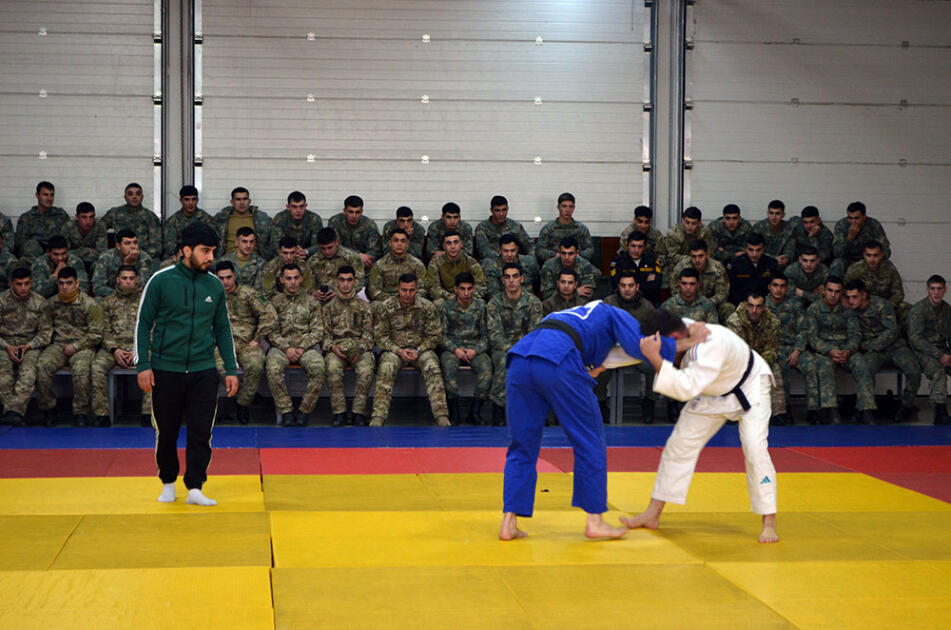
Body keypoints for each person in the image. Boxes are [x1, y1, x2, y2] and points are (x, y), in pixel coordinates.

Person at [498, 301, 695, 541]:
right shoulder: (614, 313)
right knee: (589, 438)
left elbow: (601, 354)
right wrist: (683, 344)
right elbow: (642, 345)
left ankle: (509, 521)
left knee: (522, 445)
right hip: (558, 359)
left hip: (520, 358)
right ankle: (595, 521)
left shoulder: (572, 314)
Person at [621, 309, 779, 544]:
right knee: (679, 445)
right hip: (711, 392)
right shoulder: (684, 329)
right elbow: (678, 351)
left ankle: (769, 522)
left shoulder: (709, 347)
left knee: (755, 448)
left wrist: (656, 358)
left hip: (749, 387)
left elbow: (685, 389)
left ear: (673, 337)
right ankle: (652, 514)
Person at [135, 222, 239, 506]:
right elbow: (143, 324)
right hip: (165, 370)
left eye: (213, 251)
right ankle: (168, 482)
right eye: (205, 251)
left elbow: (223, 329)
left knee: (201, 430)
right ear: (186, 250)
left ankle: (195, 486)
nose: (210, 257)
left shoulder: (214, 286)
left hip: (203, 371)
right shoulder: (160, 280)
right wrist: (143, 364)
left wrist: (230, 369)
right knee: (166, 431)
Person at [370, 273, 450, 427]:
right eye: (404, 290)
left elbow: (434, 335)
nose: (407, 294)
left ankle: (441, 415)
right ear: (398, 289)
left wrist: (419, 350)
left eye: (411, 290)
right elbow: (380, 336)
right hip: (395, 350)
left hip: (421, 349)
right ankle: (378, 416)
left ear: (417, 290)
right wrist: (398, 350)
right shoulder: (386, 307)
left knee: (432, 366)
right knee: (386, 367)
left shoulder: (427, 307)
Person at [844, 279, 921, 424]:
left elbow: (891, 331)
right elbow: (854, 334)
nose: (851, 301)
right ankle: (865, 410)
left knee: (914, 370)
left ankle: (906, 406)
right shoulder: (852, 312)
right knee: (865, 367)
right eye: (848, 297)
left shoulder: (882, 305)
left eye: (855, 297)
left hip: (895, 347)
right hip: (876, 353)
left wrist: (871, 345)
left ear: (864, 295)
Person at [36, 267, 104, 427]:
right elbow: (45, 329)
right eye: (61, 283)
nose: (65, 287)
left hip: (82, 345)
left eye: (69, 283)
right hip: (58, 345)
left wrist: (76, 346)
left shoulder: (90, 304)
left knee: (81, 370)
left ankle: (81, 412)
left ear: (77, 284)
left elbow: (96, 333)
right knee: (42, 366)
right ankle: (49, 408)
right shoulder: (51, 304)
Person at [214, 261, 277, 425]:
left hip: (247, 343)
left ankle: (242, 404)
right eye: (221, 278)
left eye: (229, 277)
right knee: (221, 369)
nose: (226, 282)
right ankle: (240, 396)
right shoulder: (210, 295)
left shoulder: (251, 294)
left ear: (235, 276)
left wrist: (257, 338)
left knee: (255, 365)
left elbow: (270, 315)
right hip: (221, 344)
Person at [265, 264, 326, 426]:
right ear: (282, 280)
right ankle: (286, 411)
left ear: (301, 279)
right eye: (288, 278)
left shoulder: (312, 302)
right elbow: (270, 331)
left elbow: (318, 330)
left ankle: (304, 411)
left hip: (306, 348)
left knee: (319, 367)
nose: (292, 282)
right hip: (281, 348)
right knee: (273, 368)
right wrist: (286, 348)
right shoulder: (274, 302)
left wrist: (301, 347)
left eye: (296, 278)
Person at [92, 265, 152, 427]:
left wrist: (138, 349)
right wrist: (115, 349)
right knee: (97, 367)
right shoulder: (107, 302)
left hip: (140, 347)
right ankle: (101, 414)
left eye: (131, 278)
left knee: (154, 364)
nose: (128, 282)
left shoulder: (146, 301)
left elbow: (153, 328)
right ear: (117, 280)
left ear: (137, 280)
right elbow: (103, 330)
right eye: (124, 278)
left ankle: (148, 414)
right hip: (113, 348)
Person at [597, 270, 658, 423]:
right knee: (599, 369)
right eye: (623, 285)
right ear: (618, 287)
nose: (627, 289)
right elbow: (598, 328)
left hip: (636, 352)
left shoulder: (647, 307)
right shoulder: (608, 303)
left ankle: (649, 403)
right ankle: (601, 405)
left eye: (630, 285)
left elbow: (654, 332)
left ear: (637, 286)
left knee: (655, 367)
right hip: (611, 351)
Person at [486, 263, 543, 425]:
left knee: (538, 364)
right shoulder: (494, 304)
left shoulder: (533, 303)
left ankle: (536, 412)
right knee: (505, 362)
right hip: (502, 347)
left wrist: (522, 350)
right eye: (507, 277)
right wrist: (512, 351)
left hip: (527, 348)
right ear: (502, 280)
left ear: (522, 279)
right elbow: (495, 334)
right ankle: (499, 409)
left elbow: (534, 333)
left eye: (515, 276)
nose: (511, 281)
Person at [799, 277, 860, 425]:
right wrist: (829, 350)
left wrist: (848, 350)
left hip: (846, 350)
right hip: (825, 351)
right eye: (830, 291)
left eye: (838, 292)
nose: (833, 295)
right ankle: (831, 409)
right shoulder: (814, 309)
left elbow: (855, 334)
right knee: (824, 365)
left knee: (862, 364)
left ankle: (865, 409)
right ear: (824, 290)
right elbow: (812, 338)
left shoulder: (847, 309)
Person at [322, 265, 375, 427]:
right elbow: (324, 334)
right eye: (342, 280)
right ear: (336, 282)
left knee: (366, 368)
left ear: (355, 282)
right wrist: (332, 347)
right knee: (332, 368)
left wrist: (360, 349)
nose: (345, 284)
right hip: (336, 348)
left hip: (360, 348)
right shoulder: (328, 307)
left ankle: (358, 412)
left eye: (349, 280)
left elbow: (369, 335)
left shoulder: (364, 307)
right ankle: (339, 413)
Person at [726, 292, 788, 425]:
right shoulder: (734, 321)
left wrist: (761, 363)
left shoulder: (773, 321)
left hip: (762, 358)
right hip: (740, 359)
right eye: (751, 306)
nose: (754, 310)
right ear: (746, 305)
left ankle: (778, 413)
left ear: (764, 307)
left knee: (775, 369)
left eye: (758, 306)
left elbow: (772, 348)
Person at [439, 272, 492, 425]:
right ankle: (454, 411)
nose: (466, 293)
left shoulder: (481, 306)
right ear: (455, 289)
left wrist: (476, 350)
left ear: (474, 289)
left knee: (487, 369)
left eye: (469, 289)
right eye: (462, 289)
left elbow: (486, 335)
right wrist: (455, 349)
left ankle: (475, 411)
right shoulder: (447, 307)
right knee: (448, 367)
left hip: (474, 347)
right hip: (452, 348)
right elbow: (441, 335)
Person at [0, 268, 51, 426]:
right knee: (3, 374)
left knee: (28, 373)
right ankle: (10, 410)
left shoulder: (40, 302)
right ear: (11, 284)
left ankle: (14, 412)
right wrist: (6, 346)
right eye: (19, 284)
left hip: (30, 344)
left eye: (27, 283)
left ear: (32, 283)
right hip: (4, 343)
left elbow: (46, 333)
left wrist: (28, 346)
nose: (23, 288)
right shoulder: (1, 301)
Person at [907, 275, 951, 425]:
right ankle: (940, 412)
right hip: (923, 352)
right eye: (933, 289)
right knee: (938, 371)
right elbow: (915, 339)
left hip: (943, 350)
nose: (936, 292)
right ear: (927, 290)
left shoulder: (947, 309)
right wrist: (940, 355)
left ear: (945, 290)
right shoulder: (918, 310)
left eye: (939, 289)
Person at [765, 273, 808, 424]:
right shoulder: (761, 305)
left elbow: (803, 330)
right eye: (775, 285)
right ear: (769, 287)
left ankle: (816, 411)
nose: (778, 289)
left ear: (787, 288)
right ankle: (784, 409)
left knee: (814, 364)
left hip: (792, 348)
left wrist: (797, 350)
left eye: (782, 286)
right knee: (779, 365)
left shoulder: (795, 304)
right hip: (770, 349)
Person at [670, 240, 731, 321]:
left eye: (700, 256)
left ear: (707, 254)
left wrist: (705, 304)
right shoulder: (681, 267)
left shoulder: (717, 268)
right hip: (687, 304)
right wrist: (691, 304)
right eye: (694, 256)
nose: (697, 260)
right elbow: (675, 290)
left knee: (728, 308)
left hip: (712, 304)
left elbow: (722, 294)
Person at [426, 230, 487, 307]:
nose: (452, 247)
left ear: (461, 244)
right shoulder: (436, 263)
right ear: (444, 246)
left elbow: (481, 286)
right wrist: (450, 296)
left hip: (467, 296)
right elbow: (433, 288)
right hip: (446, 298)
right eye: (449, 243)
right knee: (438, 303)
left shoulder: (471, 262)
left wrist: (466, 295)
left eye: (456, 242)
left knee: (480, 303)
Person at [91, 229, 157, 299]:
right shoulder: (105, 258)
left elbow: (144, 286)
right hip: (113, 296)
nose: (133, 247)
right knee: (98, 298)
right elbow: (98, 287)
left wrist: (128, 265)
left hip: (136, 297)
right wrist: (119, 295)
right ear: (118, 246)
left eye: (135, 243)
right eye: (128, 243)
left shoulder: (145, 259)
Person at [103, 182, 162, 259]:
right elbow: (99, 229)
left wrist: (139, 255)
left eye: (138, 194)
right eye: (130, 194)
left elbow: (157, 245)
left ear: (142, 197)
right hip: (119, 256)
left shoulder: (150, 217)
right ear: (125, 197)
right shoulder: (115, 213)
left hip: (143, 256)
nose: (134, 197)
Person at [831, 201, 891, 277]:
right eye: (850, 218)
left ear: (864, 216)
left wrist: (873, 258)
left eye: (856, 218)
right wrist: (850, 238)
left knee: (887, 265)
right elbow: (837, 252)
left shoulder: (874, 225)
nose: (853, 222)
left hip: (868, 260)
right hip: (849, 259)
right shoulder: (841, 225)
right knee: (837, 263)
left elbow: (885, 250)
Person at [367, 228, 427, 303]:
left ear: (407, 243)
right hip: (387, 303)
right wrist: (392, 301)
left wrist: (409, 299)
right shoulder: (379, 265)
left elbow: (423, 288)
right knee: (375, 305)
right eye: (396, 240)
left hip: (411, 301)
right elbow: (373, 289)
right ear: (390, 243)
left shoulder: (417, 265)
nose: (399, 244)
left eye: (403, 241)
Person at [843, 241, 905, 313]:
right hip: (861, 306)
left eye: (875, 255)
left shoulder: (890, 270)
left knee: (904, 307)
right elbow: (845, 291)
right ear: (864, 255)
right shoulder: (855, 269)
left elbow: (898, 294)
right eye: (868, 255)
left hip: (884, 307)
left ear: (881, 255)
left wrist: (885, 307)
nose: (872, 260)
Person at [214, 186, 274, 259]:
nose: (242, 203)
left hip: (255, 262)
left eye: (245, 199)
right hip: (228, 262)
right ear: (232, 202)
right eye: (238, 199)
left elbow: (272, 242)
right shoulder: (221, 219)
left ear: (249, 201)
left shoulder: (262, 219)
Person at [14, 181, 69, 261]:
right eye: (45, 195)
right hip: (35, 255)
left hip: (57, 254)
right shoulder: (26, 218)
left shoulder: (61, 215)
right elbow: (21, 242)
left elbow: (68, 236)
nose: (49, 199)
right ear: (37, 195)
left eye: (52, 195)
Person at [308, 228, 365, 302]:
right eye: (323, 248)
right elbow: (307, 283)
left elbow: (359, 280)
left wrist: (340, 292)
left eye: (330, 247)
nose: (327, 252)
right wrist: (314, 293)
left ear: (337, 242)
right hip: (320, 300)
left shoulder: (352, 258)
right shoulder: (313, 261)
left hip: (346, 298)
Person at [327, 195, 382, 270]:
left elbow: (375, 251)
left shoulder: (370, 225)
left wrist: (367, 259)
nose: (354, 216)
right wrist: (357, 255)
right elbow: (334, 246)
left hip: (363, 265)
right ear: (344, 211)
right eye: (350, 212)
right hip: (340, 262)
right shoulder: (335, 222)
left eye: (358, 212)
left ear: (362, 211)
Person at [661, 206, 714, 284]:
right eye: (687, 222)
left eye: (693, 223)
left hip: (700, 261)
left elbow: (709, 252)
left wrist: (699, 259)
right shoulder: (674, 233)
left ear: (699, 223)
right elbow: (673, 256)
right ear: (682, 220)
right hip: (679, 263)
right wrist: (693, 259)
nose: (689, 226)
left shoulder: (705, 232)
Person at [535, 193, 593, 263]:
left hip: (576, 264)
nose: (567, 210)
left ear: (574, 208)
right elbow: (540, 250)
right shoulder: (548, 229)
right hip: (554, 264)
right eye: (564, 206)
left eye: (570, 207)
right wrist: (557, 255)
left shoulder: (581, 229)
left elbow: (589, 249)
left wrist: (576, 256)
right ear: (558, 207)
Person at [609, 230, 662, 306]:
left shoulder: (652, 261)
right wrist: (645, 281)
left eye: (640, 247)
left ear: (645, 247)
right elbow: (617, 286)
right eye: (633, 246)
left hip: (648, 302)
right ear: (627, 245)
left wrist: (634, 285)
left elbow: (656, 287)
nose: (636, 250)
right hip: (623, 303)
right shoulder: (618, 262)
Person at [726, 232, 779, 306]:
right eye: (751, 250)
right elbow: (732, 291)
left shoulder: (771, 263)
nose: (754, 254)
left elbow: (774, 288)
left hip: (765, 304)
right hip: (742, 304)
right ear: (745, 249)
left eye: (758, 250)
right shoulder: (735, 264)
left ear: (763, 249)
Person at [474, 195, 533, 261]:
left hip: (513, 260)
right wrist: (502, 258)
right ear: (491, 210)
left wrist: (530, 258)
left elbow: (529, 246)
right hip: (494, 262)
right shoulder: (482, 228)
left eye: (504, 210)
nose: (501, 214)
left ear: (508, 209)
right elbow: (483, 250)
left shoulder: (516, 226)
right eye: (497, 210)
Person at [482, 234, 539, 299]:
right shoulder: (491, 266)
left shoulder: (529, 262)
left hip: (529, 302)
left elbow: (537, 285)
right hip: (502, 304)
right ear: (500, 250)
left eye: (513, 250)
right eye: (506, 251)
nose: (509, 254)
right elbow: (493, 294)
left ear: (517, 249)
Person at [163, 185, 213, 258]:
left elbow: (211, 240)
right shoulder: (173, 220)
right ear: (181, 200)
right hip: (180, 255)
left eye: (193, 199)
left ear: (197, 200)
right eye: (187, 199)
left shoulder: (206, 219)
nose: (190, 203)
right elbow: (169, 245)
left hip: (201, 255)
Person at [270, 190, 322, 258]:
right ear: (288, 207)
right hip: (286, 255)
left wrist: (306, 251)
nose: (298, 210)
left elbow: (319, 244)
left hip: (307, 256)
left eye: (301, 206)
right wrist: (291, 252)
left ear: (305, 206)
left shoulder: (314, 219)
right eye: (294, 207)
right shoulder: (280, 218)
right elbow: (275, 242)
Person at [62, 202, 108, 268]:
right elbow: (64, 253)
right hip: (72, 262)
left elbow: (102, 252)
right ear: (77, 217)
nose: (88, 221)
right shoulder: (68, 227)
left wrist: (77, 253)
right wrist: (86, 250)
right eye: (84, 217)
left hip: (93, 262)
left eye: (91, 217)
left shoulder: (100, 226)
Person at [752, 200, 796, 269]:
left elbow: (790, 248)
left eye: (777, 213)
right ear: (767, 213)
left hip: (782, 264)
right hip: (763, 262)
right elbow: (755, 249)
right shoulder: (759, 227)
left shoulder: (789, 228)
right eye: (771, 213)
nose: (774, 217)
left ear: (783, 215)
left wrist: (786, 258)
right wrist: (773, 259)